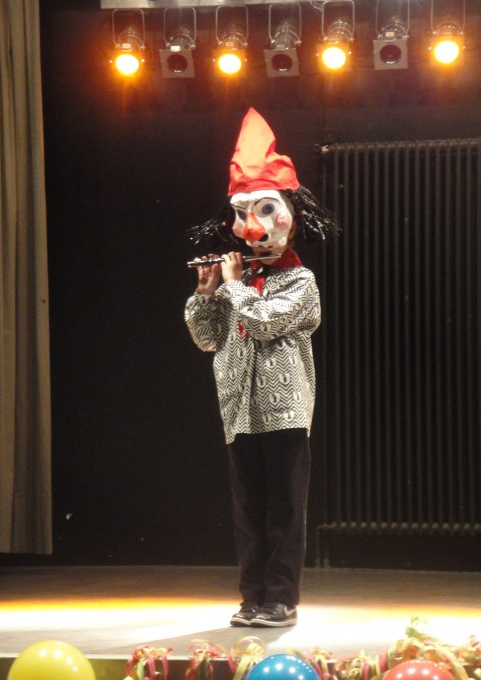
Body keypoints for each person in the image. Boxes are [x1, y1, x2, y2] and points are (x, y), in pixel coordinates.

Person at [184, 108, 338, 628]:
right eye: (243, 214)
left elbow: (266, 323)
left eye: (266, 210)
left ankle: (281, 600)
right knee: (247, 512)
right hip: (238, 412)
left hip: (285, 412)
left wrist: (232, 289)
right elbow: (208, 339)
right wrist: (207, 295)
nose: (252, 228)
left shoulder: (301, 282)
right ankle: (252, 598)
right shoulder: (236, 281)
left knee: (284, 511)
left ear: (291, 215)